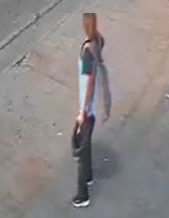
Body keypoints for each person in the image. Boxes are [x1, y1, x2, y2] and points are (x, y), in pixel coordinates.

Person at [72, 13, 110, 208]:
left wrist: (82, 111)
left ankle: (82, 194)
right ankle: (88, 177)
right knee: (85, 147)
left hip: (87, 109)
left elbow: (88, 81)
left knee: (79, 150)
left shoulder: (87, 51)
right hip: (92, 107)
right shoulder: (98, 40)